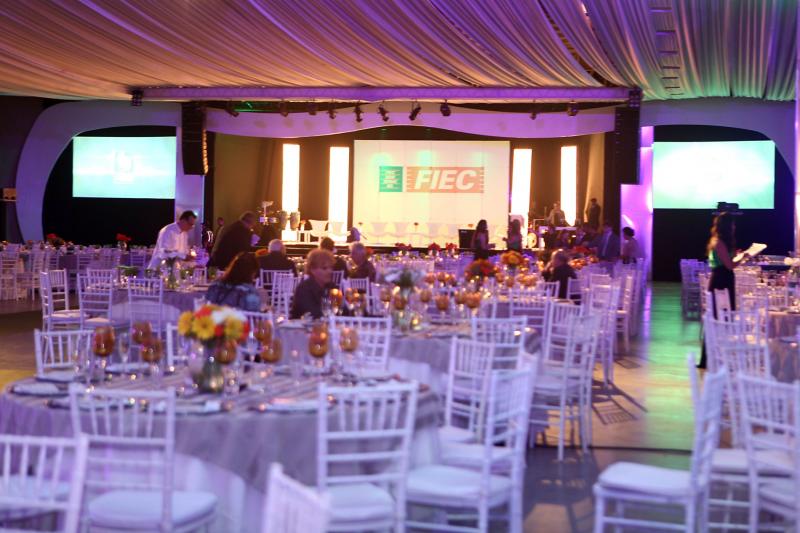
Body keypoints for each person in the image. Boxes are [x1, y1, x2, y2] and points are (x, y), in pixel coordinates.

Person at [698, 212, 747, 368]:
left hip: (722, 279)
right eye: (732, 224)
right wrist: (744, 257)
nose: (734, 227)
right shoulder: (719, 243)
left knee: (722, 318)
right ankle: (711, 358)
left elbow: (728, 261)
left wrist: (737, 255)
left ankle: (716, 357)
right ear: (727, 226)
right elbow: (729, 265)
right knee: (719, 318)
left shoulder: (719, 242)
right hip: (721, 281)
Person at [290, 249, 335, 319]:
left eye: (331, 267)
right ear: (312, 270)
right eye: (324, 268)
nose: (330, 271)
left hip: (326, 325)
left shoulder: (331, 287)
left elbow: (342, 310)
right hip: (302, 325)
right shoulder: (303, 289)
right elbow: (313, 313)